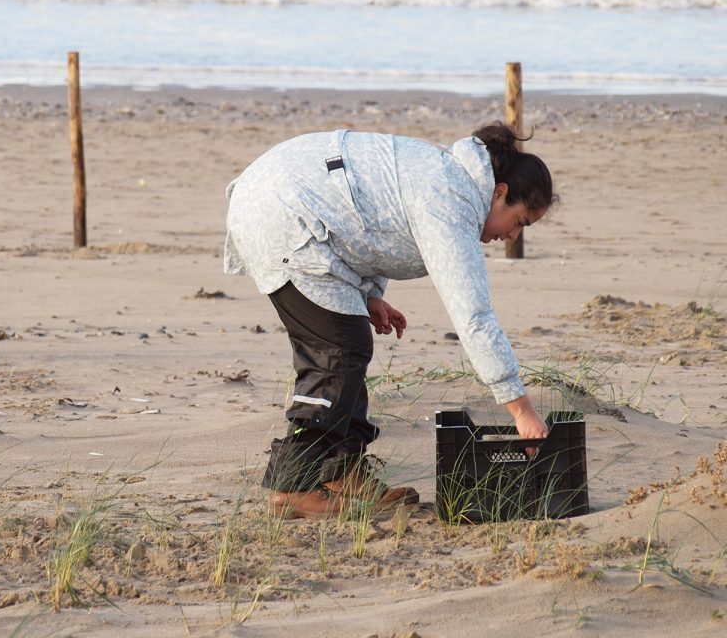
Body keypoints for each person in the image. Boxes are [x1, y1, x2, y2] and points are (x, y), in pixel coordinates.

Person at [224, 123, 556, 518]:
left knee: (349, 344)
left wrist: (369, 295)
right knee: (338, 350)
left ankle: (340, 472)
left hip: (291, 205)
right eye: (519, 221)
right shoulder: (453, 198)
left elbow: (373, 223)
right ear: (499, 192)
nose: (513, 235)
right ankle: (293, 487)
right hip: (280, 213)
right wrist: (521, 409)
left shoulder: (453, 177)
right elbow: (474, 316)